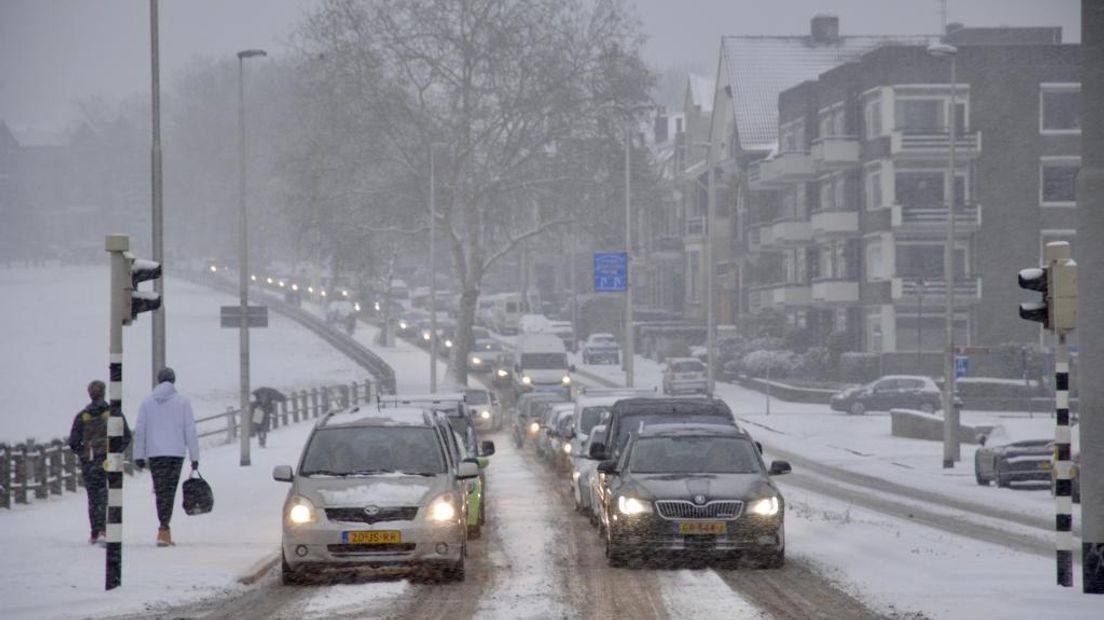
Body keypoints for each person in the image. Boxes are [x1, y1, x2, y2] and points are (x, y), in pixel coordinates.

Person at [133, 367, 200, 547]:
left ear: (158, 380)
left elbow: (140, 430)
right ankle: (164, 529)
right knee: (169, 490)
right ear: (173, 380)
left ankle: (163, 527)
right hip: (176, 453)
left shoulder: (147, 402)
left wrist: (138, 454)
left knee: (160, 490)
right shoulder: (183, 402)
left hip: (155, 454)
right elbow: (190, 430)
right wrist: (195, 457)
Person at [68, 380, 131, 545]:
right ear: (104, 393)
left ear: (89, 394)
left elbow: (73, 442)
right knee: (109, 494)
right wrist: (115, 451)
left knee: (93, 496)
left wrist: (84, 454)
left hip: (90, 461)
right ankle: (107, 528)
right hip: (109, 460)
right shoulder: (113, 413)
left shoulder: (82, 416)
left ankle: (95, 531)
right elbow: (127, 436)